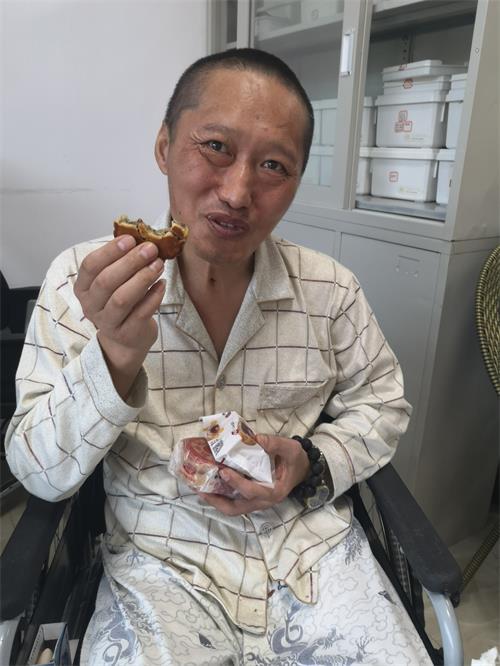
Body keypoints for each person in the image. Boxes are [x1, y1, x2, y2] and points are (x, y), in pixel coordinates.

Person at [6, 48, 431, 665]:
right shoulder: (82, 281)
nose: (237, 193)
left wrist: (311, 460)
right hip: (160, 567)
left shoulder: (330, 290)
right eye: (215, 147)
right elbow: (40, 471)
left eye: (273, 165)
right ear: (163, 147)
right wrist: (115, 357)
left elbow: (384, 404)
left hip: (312, 557)